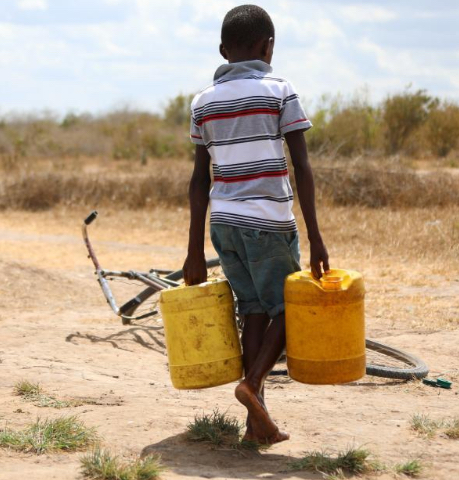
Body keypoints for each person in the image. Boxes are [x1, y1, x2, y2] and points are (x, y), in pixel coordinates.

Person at [182, 4, 329, 445]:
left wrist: (193, 250)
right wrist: (317, 238)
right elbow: (301, 167)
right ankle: (252, 386)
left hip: (223, 224)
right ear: (269, 47)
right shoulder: (279, 90)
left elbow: (197, 180)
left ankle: (255, 423)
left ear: (223, 51)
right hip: (268, 221)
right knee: (291, 308)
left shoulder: (203, 102)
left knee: (255, 311)